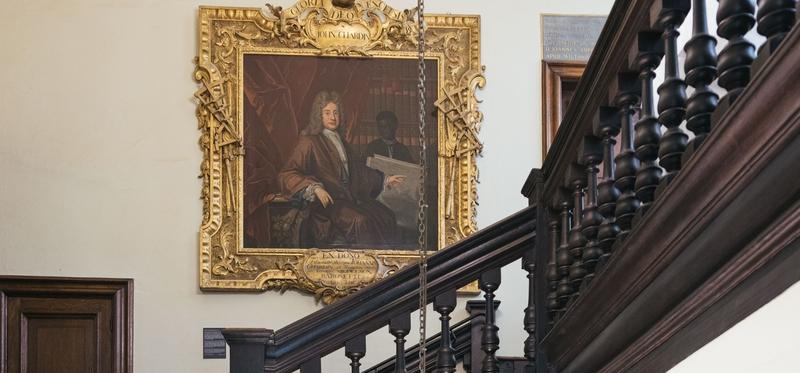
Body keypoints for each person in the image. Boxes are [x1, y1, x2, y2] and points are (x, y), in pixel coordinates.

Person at [278, 91, 404, 247]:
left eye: (336, 113)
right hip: (328, 204)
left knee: (387, 216)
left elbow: (359, 171)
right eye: (327, 113)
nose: (332, 117)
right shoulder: (309, 142)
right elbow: (288, 174)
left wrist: (385, 179)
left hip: (349, 198)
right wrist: (314, 188)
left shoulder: (342, 141)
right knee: (360, 221)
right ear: (319, 115)